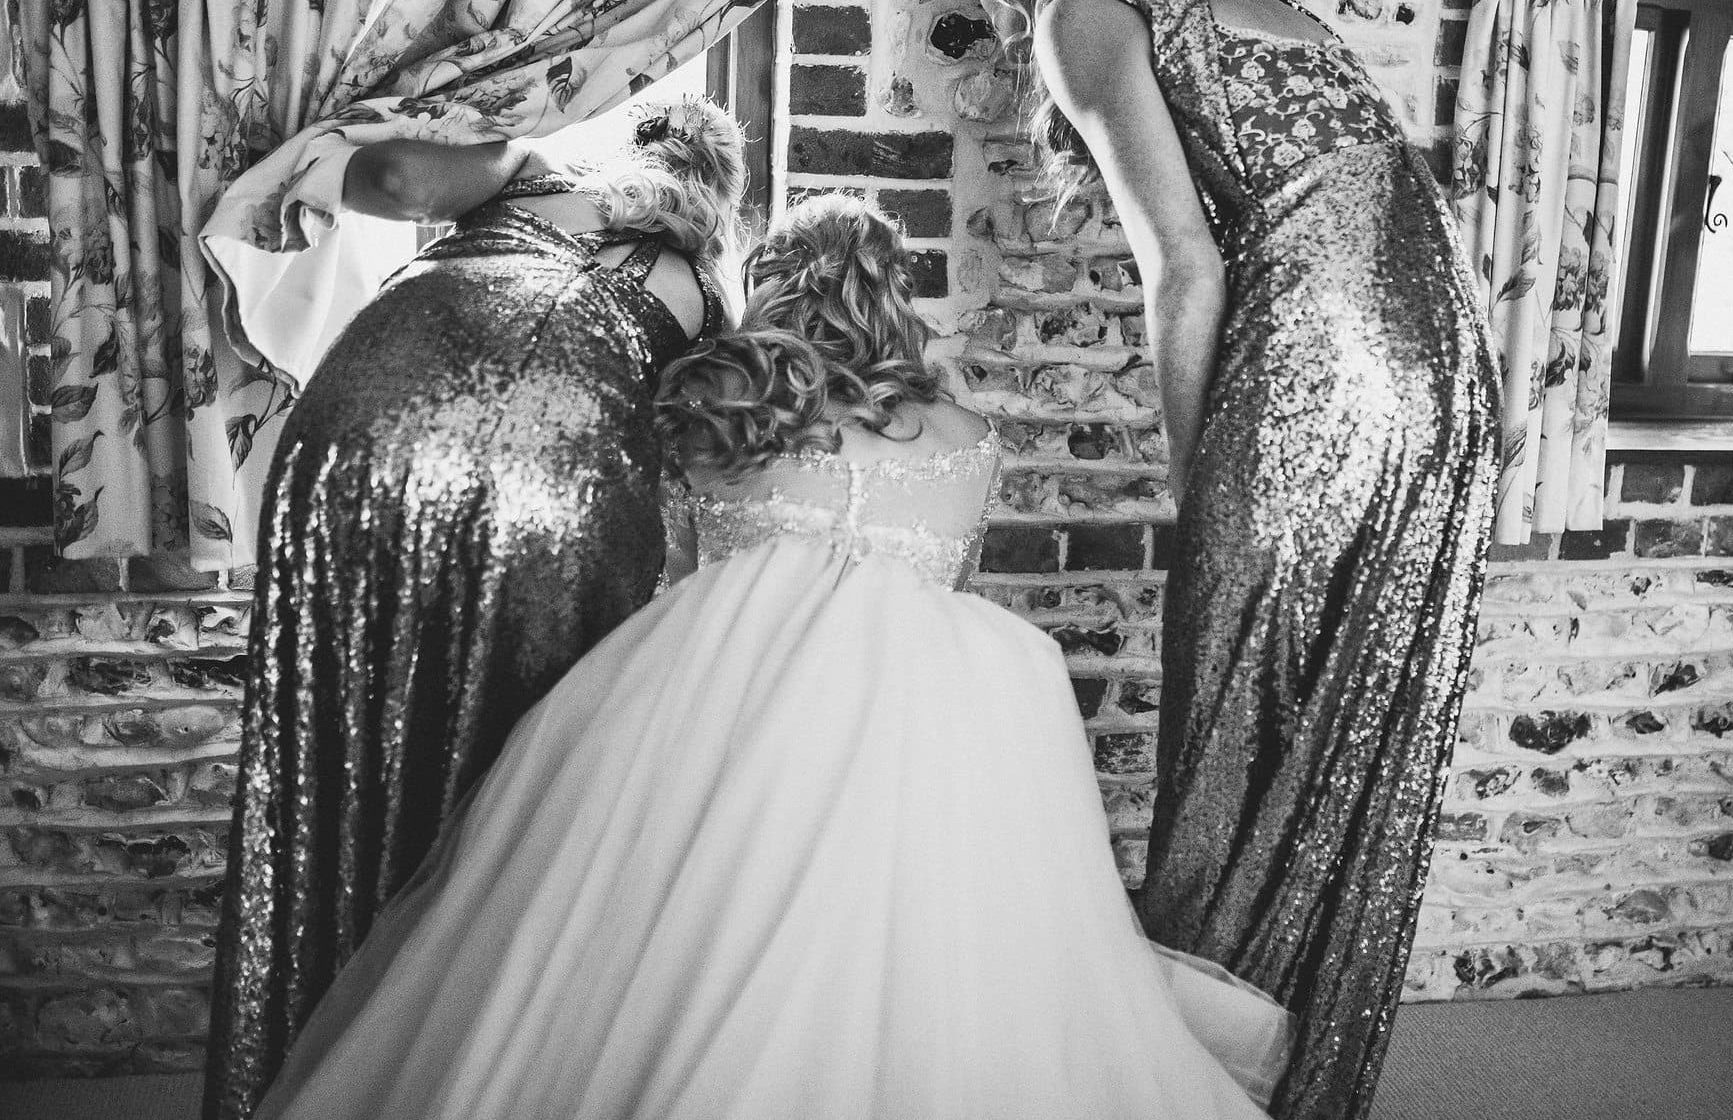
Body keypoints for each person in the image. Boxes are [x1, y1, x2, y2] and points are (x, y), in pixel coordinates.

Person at [240, 196, 1293, 1120]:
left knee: (640, 933)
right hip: (923, 718)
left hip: (719, 700)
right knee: (936, 936)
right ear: (890, 292)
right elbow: (948, 587)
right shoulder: (968, 436)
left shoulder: (722, 413)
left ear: (771, 288)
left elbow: (677, 572)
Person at [951, 0, 1501, 1120]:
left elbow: (1184, 263)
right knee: (1354, 706)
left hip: (1316, 359)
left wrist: (1201, 470)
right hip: (1440, 361)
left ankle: (1197, 1064)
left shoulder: (1084, 10)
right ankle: (1290, 1045)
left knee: (1239, 691)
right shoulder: (1265, 3)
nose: (992, 4)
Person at [205, 94, 745, 1120]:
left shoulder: (530, 161)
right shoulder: (706, 294)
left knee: (341, 741)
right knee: (521, 771)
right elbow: (706, 476)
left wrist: (318, 137)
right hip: (563, 477)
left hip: (367, 422)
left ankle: (306, 1044)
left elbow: (399, 183)